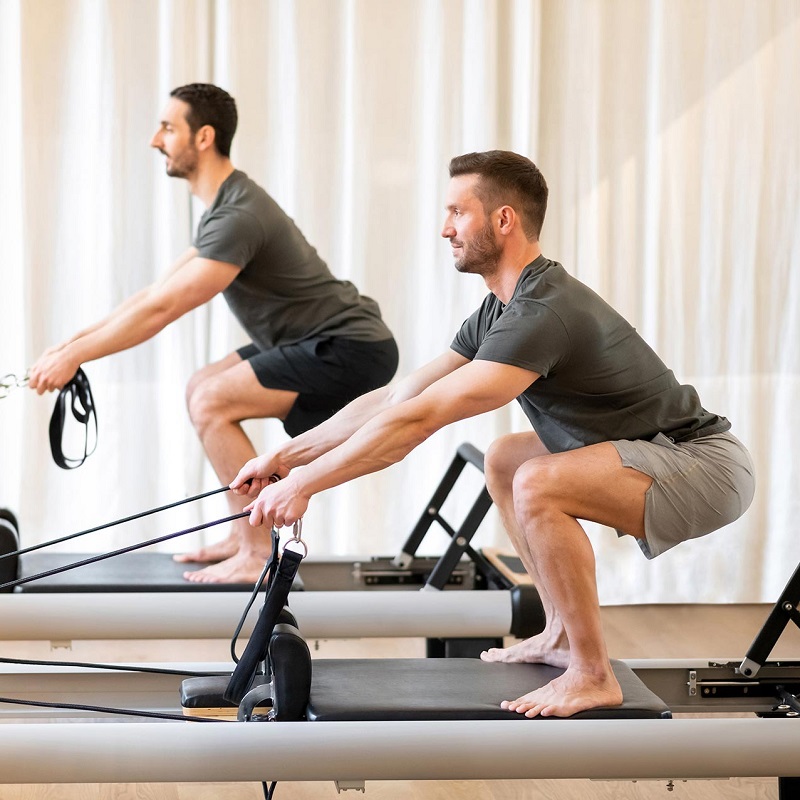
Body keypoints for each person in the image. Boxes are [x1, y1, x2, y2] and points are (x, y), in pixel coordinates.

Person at [229, 149, 755, 717]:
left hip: (702, 464)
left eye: (458, 212)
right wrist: (285, 456)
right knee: (505, 459)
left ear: (503, 220)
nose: (444, 228)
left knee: (537, 482)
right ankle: (559, 632)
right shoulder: (498, 310)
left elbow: (419, 420)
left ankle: (591, 672)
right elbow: (399, 396)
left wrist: (307, 483)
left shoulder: (541, 312)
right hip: (651, 450)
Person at [27, 83, 399, 585]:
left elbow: (164, 309)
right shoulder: (226, 206)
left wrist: (76, 357)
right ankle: (240, 533)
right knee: (201, 386)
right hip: (310, 338)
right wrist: (69, 347)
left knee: (213, 401)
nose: (156, 139)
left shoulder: (238, 216)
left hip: (351, 347)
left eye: (167, 128)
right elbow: (153, 292)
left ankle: (254, 552)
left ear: (203, 137)